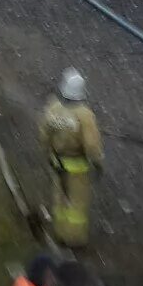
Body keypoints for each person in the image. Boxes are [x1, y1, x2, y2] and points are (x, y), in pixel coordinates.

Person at [39, 68, 103, 249]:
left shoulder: (53, 108)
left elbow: (44, 134)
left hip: (57, 163)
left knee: (59, 200)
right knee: (76, 206)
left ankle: (59, 233)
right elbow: (91, 145)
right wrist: (97, 163)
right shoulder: (85, 115)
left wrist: (47, 153)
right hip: (77, 168)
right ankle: (74, 239)